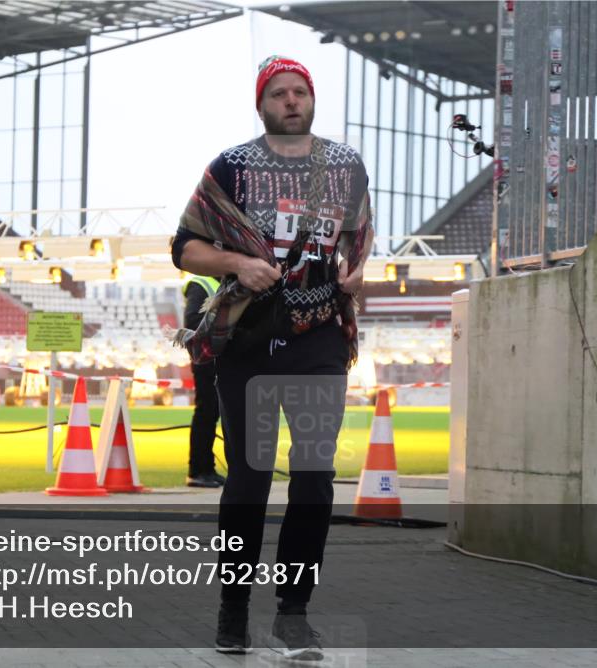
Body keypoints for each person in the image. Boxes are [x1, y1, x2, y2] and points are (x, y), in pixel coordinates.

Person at [171, 55, 373, 661]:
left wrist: (356, 275)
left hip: (318, 341)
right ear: (261, 104)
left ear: (312, 101)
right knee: (250, 480)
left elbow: (359, 241)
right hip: (250, 342)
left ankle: (293, 613)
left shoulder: (346, 167)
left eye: (300, 92)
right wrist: (239, 263)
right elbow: (184, 247)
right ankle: (233, 611)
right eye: (279, 93)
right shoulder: (229, 168)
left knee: (314, 479)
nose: (291, 101)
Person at [183, 273, 227, 488]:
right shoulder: (202, 283)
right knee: (207, 412)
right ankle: (199, 470)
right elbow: (192, 321)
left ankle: (206, 468)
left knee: (214, 413)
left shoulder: (223, 281)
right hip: (207, 359)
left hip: (222, 358)